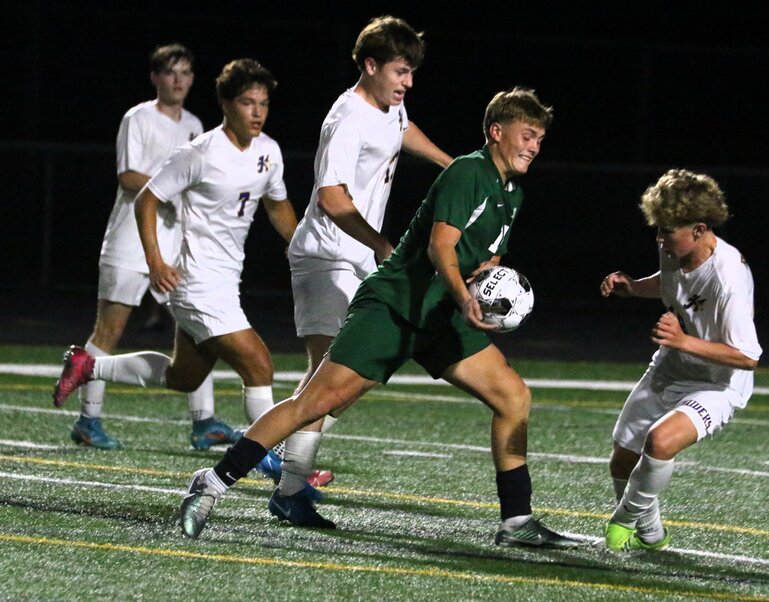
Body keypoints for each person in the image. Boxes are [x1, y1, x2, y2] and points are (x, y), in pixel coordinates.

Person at [178, 87, 575, 550]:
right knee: (313, 404)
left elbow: (483, 257)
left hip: (438, 315)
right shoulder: (469, 172)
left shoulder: (512, 193)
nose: (534, 146)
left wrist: (485, 282)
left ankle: (516, 520)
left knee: (513, 397)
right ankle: (211, 482)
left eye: (540, 140)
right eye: (527, 135)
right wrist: (464, 297)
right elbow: (439, 246)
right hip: (395, 307)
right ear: (496, 131)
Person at [53, 59, 299, 473]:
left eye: (263, 103)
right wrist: (155, 260)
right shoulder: (199, 152)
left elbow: (277, 206)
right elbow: (147, 198)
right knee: (258, 364)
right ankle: (279, 466)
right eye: (246, 102)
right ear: (225, 103)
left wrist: (303, 247)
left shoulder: (269, 152)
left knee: (183, 376)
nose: (257, 112)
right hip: (196, 282)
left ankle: (89, 364)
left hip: (225, 280)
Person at [268, 15, 453, 490]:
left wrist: (451, 166)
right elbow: (331, 197)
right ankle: (288, 478)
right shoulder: (347, 118)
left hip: (356, 259)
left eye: (411, 72)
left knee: (358, 370)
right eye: (399, 71)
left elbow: (401, 130)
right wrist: (380, 242)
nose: (408, 82)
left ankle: (280, 452)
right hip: (326, 257)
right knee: (334, 373)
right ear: (370, 66)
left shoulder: (389, 107)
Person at [65, 43, 238, 451]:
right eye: (170, 72)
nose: (178, 80)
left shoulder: (196, 124)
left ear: (193, 79)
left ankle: (205, 422)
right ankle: (88, 422)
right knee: (110, 331)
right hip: (129, 242)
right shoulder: (138, 118)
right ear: (156, 77)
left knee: (200, 326)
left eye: (185, 73)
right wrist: (171, 193)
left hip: (176, 247)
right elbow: (128, 177)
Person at [599, 169, 762, 552]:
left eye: (667, 230)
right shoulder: (674, 247)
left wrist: (683, 340)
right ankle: (652, 535)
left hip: (720, 382)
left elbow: (748, 356)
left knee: (660, 441)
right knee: (622, 459)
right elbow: (672, 284)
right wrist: (633, 288)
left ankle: (622, 521)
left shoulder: (728, 279)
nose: (659, 238)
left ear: (700, 229)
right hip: (674, 366)